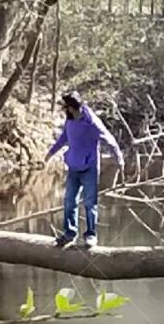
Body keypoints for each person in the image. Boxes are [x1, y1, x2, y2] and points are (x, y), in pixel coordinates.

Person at [46, 90, 123, 247]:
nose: (65, 111)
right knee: (69, 201)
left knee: (90, 202)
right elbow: (63, 138)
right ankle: (69, 233)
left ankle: (91, 235)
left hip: (89, 167)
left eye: (66, 108)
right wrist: (50, 153)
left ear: (73, 107)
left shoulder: (92, 123)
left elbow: (109, 139)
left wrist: (119, 159)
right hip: (73, 166)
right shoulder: (69, 121)